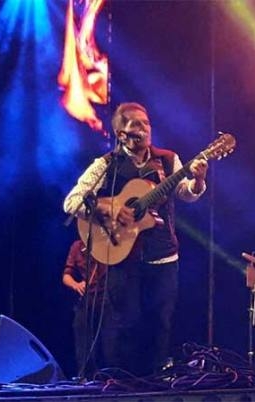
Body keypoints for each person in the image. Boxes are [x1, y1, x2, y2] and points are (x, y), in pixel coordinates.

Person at [63, 102, 208, 375]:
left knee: (160, 323)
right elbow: (71, 203)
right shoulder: (106, 164)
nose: (145, 128)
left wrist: (198, 181)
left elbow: (186, 193)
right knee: (125, 324)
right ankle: (124, 383)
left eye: (147, 123)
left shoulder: (168, 160)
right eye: (137, 124)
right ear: (121, 134)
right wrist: (109, 209)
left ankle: (156, 381)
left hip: (163, 254)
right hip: (122, 256)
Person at [62, 239, 108, 377]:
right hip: (87, 300)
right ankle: (84, 376)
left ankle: (107, 375)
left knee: (107, 342)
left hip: (107, 300)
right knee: (82, 340)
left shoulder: (107, 243)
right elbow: (66, 275)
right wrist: (76, 285)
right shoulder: (77, 246)